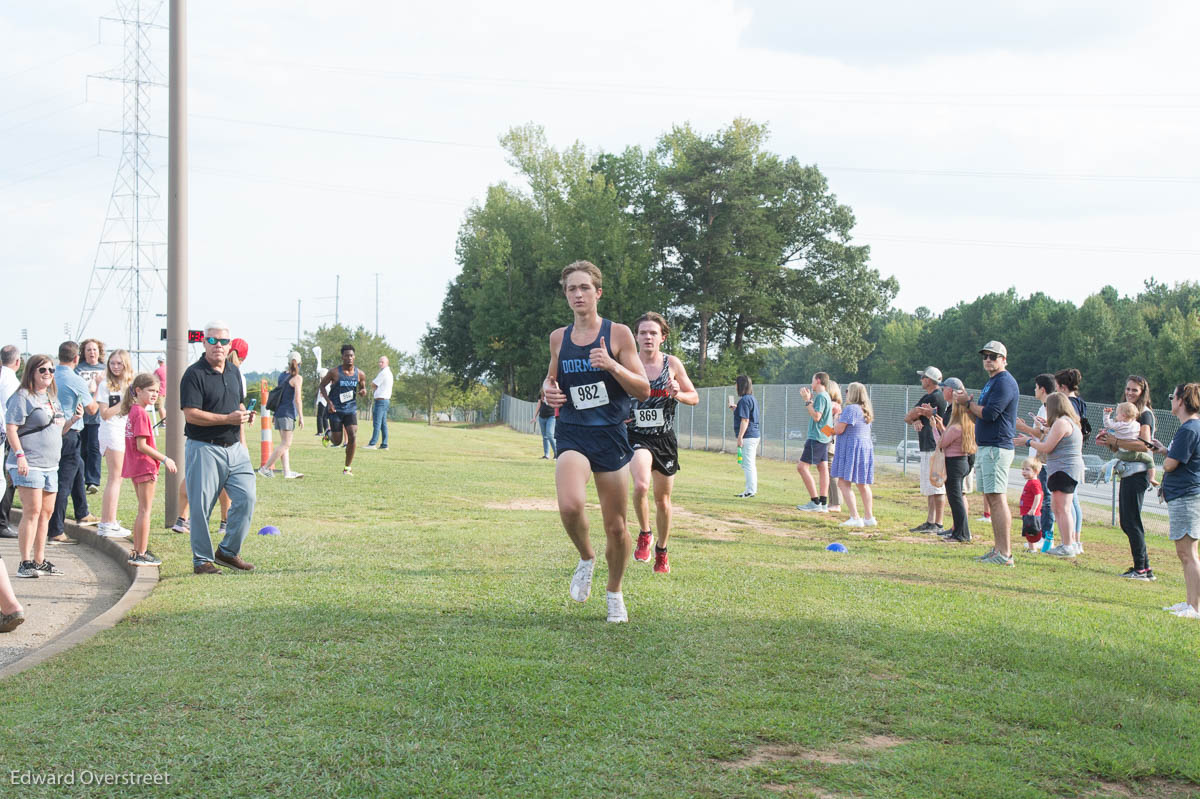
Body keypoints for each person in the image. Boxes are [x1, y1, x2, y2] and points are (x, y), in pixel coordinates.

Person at [541, 261, 649, 623]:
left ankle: (614, 592)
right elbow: (551, 380)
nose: (577, 294)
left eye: (584, 288)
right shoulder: (559, 338)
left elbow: (643, 389)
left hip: (610, 435)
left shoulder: (617, 334)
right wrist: (547, 391)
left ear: (598, 293)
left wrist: (612, 366)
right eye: (571, 289)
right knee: (571, 506)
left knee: (616, 527)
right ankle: (586, 558)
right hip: (573, 432)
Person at [179, 321, 257, 575]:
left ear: (229, 344)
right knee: (201, 507)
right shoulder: (194, 374)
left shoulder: (234, 372)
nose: (218, 346)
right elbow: (191, 415)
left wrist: (245, 415)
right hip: (204, 447)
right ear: (204, 342)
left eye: (223, 342)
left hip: (235, 447)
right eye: (212, 341)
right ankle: (202, 560)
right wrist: (227, 419)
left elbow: (238, 404)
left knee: (247, 498)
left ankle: (227, 552)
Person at [627, 311, 698, 575]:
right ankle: (645, 533)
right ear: (636, 336)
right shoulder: (628, 363)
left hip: (664, 438)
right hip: (636, 437)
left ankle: (662, 550)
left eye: (653, 333)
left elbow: (694, 396)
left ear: (663, 338)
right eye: (643, 332)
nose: (647, 337)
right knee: (641, 484)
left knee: (663, 501)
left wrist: (679, 394)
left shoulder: (672, 364)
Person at [4, 353, 75, 578]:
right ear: (32, 372)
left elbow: (56, 430)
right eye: (42, 370)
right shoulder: (23, 396)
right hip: (29, 463)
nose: (48, 374)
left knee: (46, 513)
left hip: (50, 464)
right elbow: (11, 428)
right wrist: (20, 455)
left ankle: (39, 559)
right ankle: (25, 562)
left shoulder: (52, 398)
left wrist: (72, 421)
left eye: (51, 370)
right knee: (32, 511)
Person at [955, 340, 1019, 567]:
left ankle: (1005, 553)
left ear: (1004, 359)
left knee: (997, 498)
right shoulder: (992, 383)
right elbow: (979, 414)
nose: (988, 360)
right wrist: (967, 405)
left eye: (993, 356)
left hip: (997, 447)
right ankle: (998, 549)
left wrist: (968, 402)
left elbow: (991, 413)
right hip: (988, 445)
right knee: (991, 498)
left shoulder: (1004, 383)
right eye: (985, 356)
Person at [1097, 375, 1157, 580]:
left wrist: (1117, 439)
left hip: (1138, 472)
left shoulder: (1144, 415)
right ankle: (1143, 567)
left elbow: (1145, 444)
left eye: (1135, 390)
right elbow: (1120, 444)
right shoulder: (1125, 414)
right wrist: (1109, 441)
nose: (1130, 393)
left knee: (1131, 521)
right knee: (1127, 522)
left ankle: (1142, 569)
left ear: (1142, 392)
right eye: (1128, 389)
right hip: (1128, 471)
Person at [1151, 384, 1200, 618]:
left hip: (1187, 495)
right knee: (1184, 553)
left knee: (1188, 553)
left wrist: (1167, 458)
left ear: (1181, 401)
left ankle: (1195, 607)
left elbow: (1172, 464)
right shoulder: (1190, 428)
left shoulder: (1189, 429)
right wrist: (1165, 450)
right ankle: (1190, 602)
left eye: (1173, 396)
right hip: (1184, 494)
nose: (1171, 400)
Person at [1020, 393, 1084, 558]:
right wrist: (1043, 429)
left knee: (1063, 509)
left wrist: (1028, 441)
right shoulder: (1066, 422)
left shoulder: (1062, 422)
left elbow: (1047, 447)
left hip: (1064, 470)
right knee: (1058, 507)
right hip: (1062, 470)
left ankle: (1068, 545)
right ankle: (1067, 543)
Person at [49, 341, 99, 542]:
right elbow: (92, 409)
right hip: (70, 434)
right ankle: (56, 530)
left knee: (79, 468)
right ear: (77, 358)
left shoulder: (50, 375)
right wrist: (97, 390)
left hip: (54, 433)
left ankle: (82, 512)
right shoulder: (75, 379)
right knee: (64, 483)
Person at [122, 373, 174, 566]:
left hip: (136, 466)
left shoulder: (134, 411)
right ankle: (141, 554)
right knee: (145, 511)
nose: (155, 394)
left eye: (157, 391)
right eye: (150, 391)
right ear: (138, 391)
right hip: (144, 466)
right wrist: (165, 458)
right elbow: (142, 445)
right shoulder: (141, 413)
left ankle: (137, 551)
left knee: (142, 510)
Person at [1015, 374, 1058, 552]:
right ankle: (1039, 535)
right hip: (1038, 459)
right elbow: (1039, 433)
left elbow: (1045, 434)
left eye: (1035, 387)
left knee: (1045, 499)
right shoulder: (1043, 407)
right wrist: (1028, 435)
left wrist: (1023, 428)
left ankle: (1045, 535)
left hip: (1044, 461)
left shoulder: (1049, 408)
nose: (1034, 391)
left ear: (1042, 389)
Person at [95, 349, 134, 538]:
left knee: (119, 477)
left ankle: (110, 519)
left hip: (125, 431)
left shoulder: (131, 384)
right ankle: (107, 522)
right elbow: (104, 413)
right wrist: (124, 402)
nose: (116, 367)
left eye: (119, 363)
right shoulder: (105, 385)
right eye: (112, 363)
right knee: (115, 477)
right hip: (111, 431)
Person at [906, 366, 948, 534]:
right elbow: (909, 417)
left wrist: (915, 415)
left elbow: (911, 414)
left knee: (937, 486)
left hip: (934, 445)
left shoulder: (935, 397)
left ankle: (938, 523)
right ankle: (930, 521)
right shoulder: (929, 396)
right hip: (926, 445)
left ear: (929, 380)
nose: (921, 380)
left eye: (923, 377)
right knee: (930, 487)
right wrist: (915, 419)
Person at [830, 381, 876, 527]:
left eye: (847, 391)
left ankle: (855, 517)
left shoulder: (851, 409)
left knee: (843, 483)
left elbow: (838, 430)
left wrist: (834, 418)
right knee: (862, 484)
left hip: (851, 449)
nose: (846, 393)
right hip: (864, 449)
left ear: (853, 393)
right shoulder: (865, 410)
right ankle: (869, 517)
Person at [318, 344, 367, 474]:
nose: (349, 358)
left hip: (350, 409)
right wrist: (329, 403)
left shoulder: (360, 374)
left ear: (354, 357)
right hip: (336, 410)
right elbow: (322, 386)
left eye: (351, 355)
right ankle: (328, 433)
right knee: (338, 441)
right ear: (342, 357)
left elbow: (363, 388)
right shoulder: (334, 372)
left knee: (352, 435)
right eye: (346, 356)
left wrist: (363, 391)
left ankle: (347, 468)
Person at [1054, 368, 1088, 552]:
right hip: (1074, 455)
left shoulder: (1070, 405)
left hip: (1068, 457)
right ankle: (1074, 540)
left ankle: (1073, 541)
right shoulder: (1080, 403)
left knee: (1069, 502)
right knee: (1073, 500)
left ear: (1062, 387)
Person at [932, 400, 975, 543]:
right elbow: (949, 439)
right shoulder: (967, 426)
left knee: (955, 501)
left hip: (953, 464)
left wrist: (934, 428)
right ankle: (961, 532)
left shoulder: (955, 428)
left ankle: (961, 534)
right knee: (958, 500)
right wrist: (942, 428)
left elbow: (941, 443)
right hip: (962, 462)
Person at [259, 351, 304, 479]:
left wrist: (274, 414)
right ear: (300, 363)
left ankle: (287, 472)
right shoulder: (297, 378)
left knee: (284, 444)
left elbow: (279, 395)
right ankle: (265, 468)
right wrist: (301, 416)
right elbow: (297, 399)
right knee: (286, 444)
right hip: (288, 413)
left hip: (279, 413)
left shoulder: (282, 376)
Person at [795, 372, 834, 513]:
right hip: (823, 438)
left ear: (818, 381)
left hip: (816, 438)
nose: (811, 383)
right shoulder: (826, 397)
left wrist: (806, 400)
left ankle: (815, 502)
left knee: (802, 467)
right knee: (822, 468)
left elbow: (817, 417)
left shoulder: (822, 397)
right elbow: (825, 420)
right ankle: (823, 503)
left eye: (812, 380)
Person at [1100, 402, 1157, 486]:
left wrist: (1106, 414)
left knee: (1114, 459)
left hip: (1121, 453)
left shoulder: (1119, 425)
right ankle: (1152, 478)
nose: (1116, 417)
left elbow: (1107, 424)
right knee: (1149, 460)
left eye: (1117, 414)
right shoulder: (1137, 425)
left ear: (1123, 416)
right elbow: (1143, 440)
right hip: (1134, 454)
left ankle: (1112, 469)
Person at [76, 338, 106, 493]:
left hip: (98, 417)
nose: (92, 352)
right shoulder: (78, 369)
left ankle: (93, 481)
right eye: (89, 349)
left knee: (94, 447)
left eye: (95, 349)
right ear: (84, 353)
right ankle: (80, 479)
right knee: (81, 448)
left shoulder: (105, 369)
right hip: (80, 416)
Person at [0, 344, 22, 539]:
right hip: (7, 436)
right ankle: (2, 522)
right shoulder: (10, 382)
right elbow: (12, 413)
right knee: (7, 481)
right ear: (18, 361)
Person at [732, 376, 760, 498]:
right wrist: (736, 410)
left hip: (748, 436)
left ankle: (750, 491)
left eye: (736, 384)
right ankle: (750, 489)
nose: (735, 386)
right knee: (748, 463)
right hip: (753, 435)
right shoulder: (751, 399)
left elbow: (745, 420)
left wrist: (740, 438)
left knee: (748, 464)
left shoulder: (744, 400)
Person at [365, 355, 393, 450]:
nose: (380, 363)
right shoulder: (389, 373)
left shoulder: (384, 373)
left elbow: (374, 384)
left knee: (377, 423)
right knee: (383, 424)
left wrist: (374, 387)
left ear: (387, 363)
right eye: (379, 362)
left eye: (382, 362)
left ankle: (372, 443)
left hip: (381, 401)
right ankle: (384, 444)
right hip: (385, 401)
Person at [1018, 458, 1044, 552]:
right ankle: (1031, 548)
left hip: (1032, 513)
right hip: (1027, 511)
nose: (1024, 472)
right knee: (1028, 530)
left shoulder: (1034, 483)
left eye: (1027, 469)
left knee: (1031, 531)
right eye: (1023, 469)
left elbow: (1038, 495)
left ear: (1036, 471)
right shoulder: (1030, 482)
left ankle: (1033, 549)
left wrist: (1033, 509)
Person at [825, 380, 843, 513]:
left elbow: (832, 428)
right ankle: (831, 501)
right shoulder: (834, 405)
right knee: (828, 473)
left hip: (831, 442)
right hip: (830, 441)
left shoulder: (833, 406)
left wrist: (821, 429)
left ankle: (836, 503)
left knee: (832, 474)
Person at [532, 389, 558, 459]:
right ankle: (546, 455)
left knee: (550, 435)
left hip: (551, 417)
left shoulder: (554, 393)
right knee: (545, 437)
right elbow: (538, 405)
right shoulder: (541, 393)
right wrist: (534, 416)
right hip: (542, 417)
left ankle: (557, 453)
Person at [315, 367, 330, 437]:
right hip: (325, 401)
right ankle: (326, 430)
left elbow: (325, 391)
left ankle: (320, 431)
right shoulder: (327, 382)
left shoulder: (326, 383)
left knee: (320, 416)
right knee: (324, 417)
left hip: (323, 401)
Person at [153, 354, 167, 421]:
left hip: (160, 391)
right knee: (163, 407)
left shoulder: (158, 371)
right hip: (167, 390)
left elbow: (153, 380)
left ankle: (164, 421)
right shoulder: (168, 369)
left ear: (158, 361)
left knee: (160, 407)